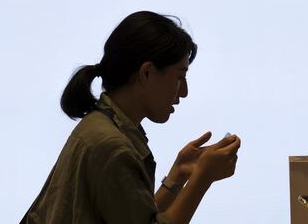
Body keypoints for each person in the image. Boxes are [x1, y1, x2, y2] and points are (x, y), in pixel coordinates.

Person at [21, 11, 241, 224]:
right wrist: (202, 177)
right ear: (147, 73)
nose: (184, 92)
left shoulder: (104, 126)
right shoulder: (111, 146)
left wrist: (178, 175)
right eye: (180, 77)